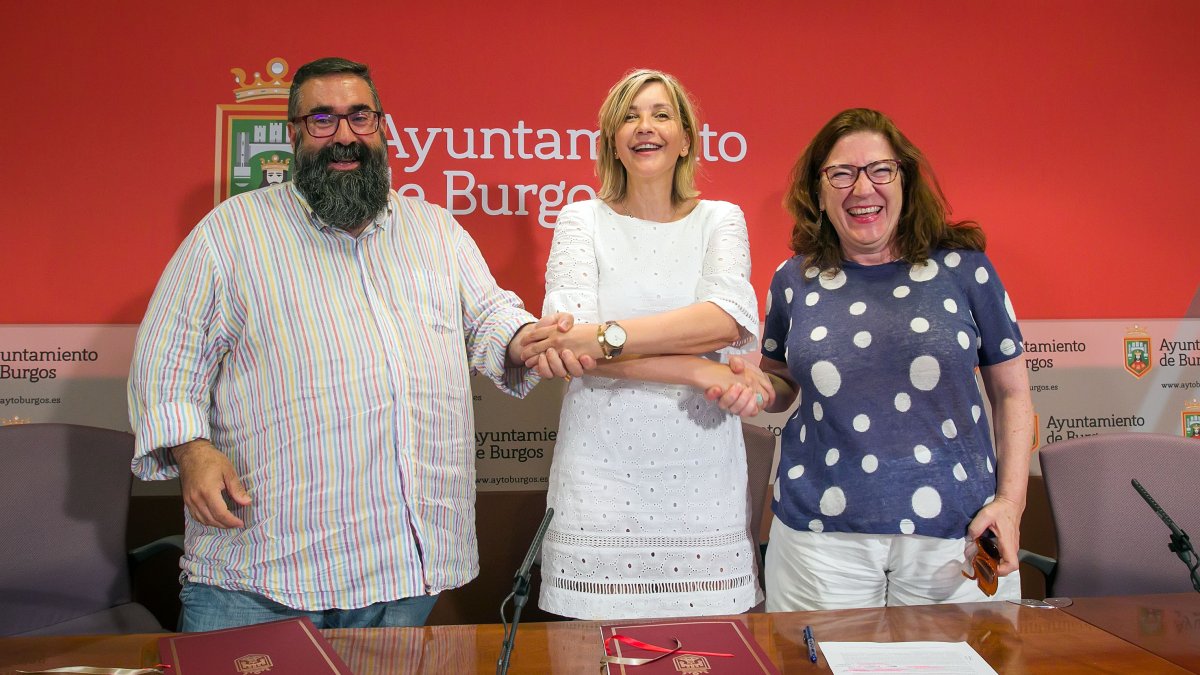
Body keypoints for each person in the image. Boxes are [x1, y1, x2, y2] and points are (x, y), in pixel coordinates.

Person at [127, 57, 581, 631]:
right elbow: (167, 359)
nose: (345, 135)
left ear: (382, 127)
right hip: (262, 571)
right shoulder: (229, 235)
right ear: (294, 134)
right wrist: (193, 451)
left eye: (359, 117)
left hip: (398, 572)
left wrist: (522, 339)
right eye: (323, 119)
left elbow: (490, 316)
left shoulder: (436, 230)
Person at [518, 69, 772, 620]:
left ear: (686, 138)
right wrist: (697, 370)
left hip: (703, 482)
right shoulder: (580, 219)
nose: (644, 127)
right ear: (612, 138)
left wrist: (605, 336)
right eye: (629, 116)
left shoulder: (719, 220)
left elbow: (725, 320)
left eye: (660, 114)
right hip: (598, 480)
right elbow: (570, 352)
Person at [757, 108, 1033, 610]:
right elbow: (780, 386)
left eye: (880, 170)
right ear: (818, 191)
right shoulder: (793, 279)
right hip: (820, 539)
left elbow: (1013, 394)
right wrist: (752, 387)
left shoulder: (965, 270)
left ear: (904, 178)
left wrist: (1010, 505)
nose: (862, 189)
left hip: (956, 531)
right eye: (841, 173)